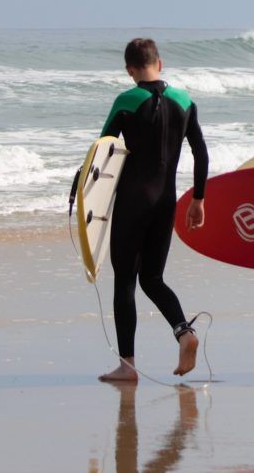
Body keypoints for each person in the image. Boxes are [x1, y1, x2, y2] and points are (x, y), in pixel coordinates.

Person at [98, 38, 208, 382]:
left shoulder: (127, 100)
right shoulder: (184, 101)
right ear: (159, 63)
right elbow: (201, 153)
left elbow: (101, 155)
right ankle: (183, 332)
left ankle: (127, 366)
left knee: (125, 283)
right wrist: (198, 200)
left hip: (132, 201)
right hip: (166, 202)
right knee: (153, 278)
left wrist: (89, 203)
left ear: (130, 70)